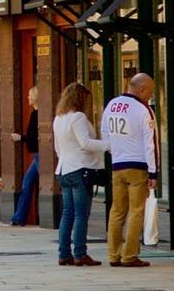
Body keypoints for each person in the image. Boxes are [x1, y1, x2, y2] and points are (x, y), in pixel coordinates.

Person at [102, 73, 158, 268]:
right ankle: (130, 255)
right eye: (150, 91)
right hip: (138, 167)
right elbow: (150, 144)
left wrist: (116, 152)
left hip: (117, 166)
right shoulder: (143, 110)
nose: (150, 96)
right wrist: (153, 172)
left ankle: (113, 254)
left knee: (117, 211)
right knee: (136, 211)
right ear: (141, 89)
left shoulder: (111, 105)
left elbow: (105, 136)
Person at [52, 83, 107, 266]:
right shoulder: (78, 117)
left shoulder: (59, 118)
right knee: (81, 214)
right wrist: (108, 145)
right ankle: (80, 253)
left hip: (63, 169)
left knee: (67, 213)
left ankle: (64, 254)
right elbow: (85, 143)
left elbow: (57, 149)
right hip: (80, 170)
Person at [11, 86, 41, 227]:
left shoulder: (37, 115)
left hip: (40, 156)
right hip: (37, 156)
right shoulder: (34, 114)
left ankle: (19, 217)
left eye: (30, 95)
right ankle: (19, 217)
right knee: (27, 183)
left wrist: (20, 138)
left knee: (28, 183)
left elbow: (33, 137)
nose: (28, 97)